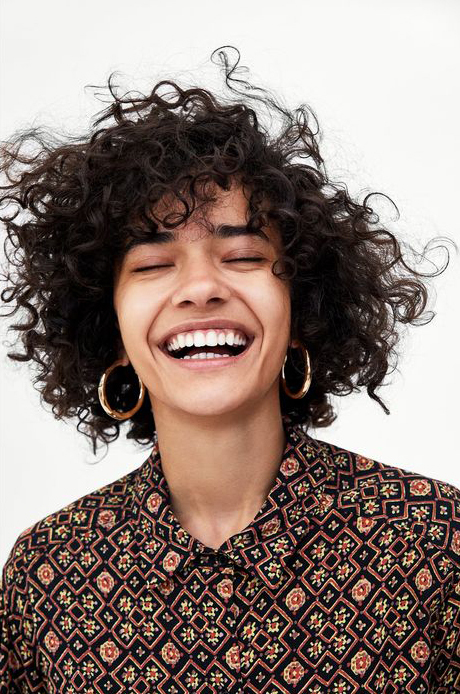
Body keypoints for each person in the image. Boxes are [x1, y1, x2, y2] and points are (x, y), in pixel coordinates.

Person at [1, 47, 459, 693]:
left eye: (241, 255)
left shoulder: (437, 543)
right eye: (153, 265)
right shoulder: (46, 576)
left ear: (303, 306)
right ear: (111, 330)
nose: (199, 288)